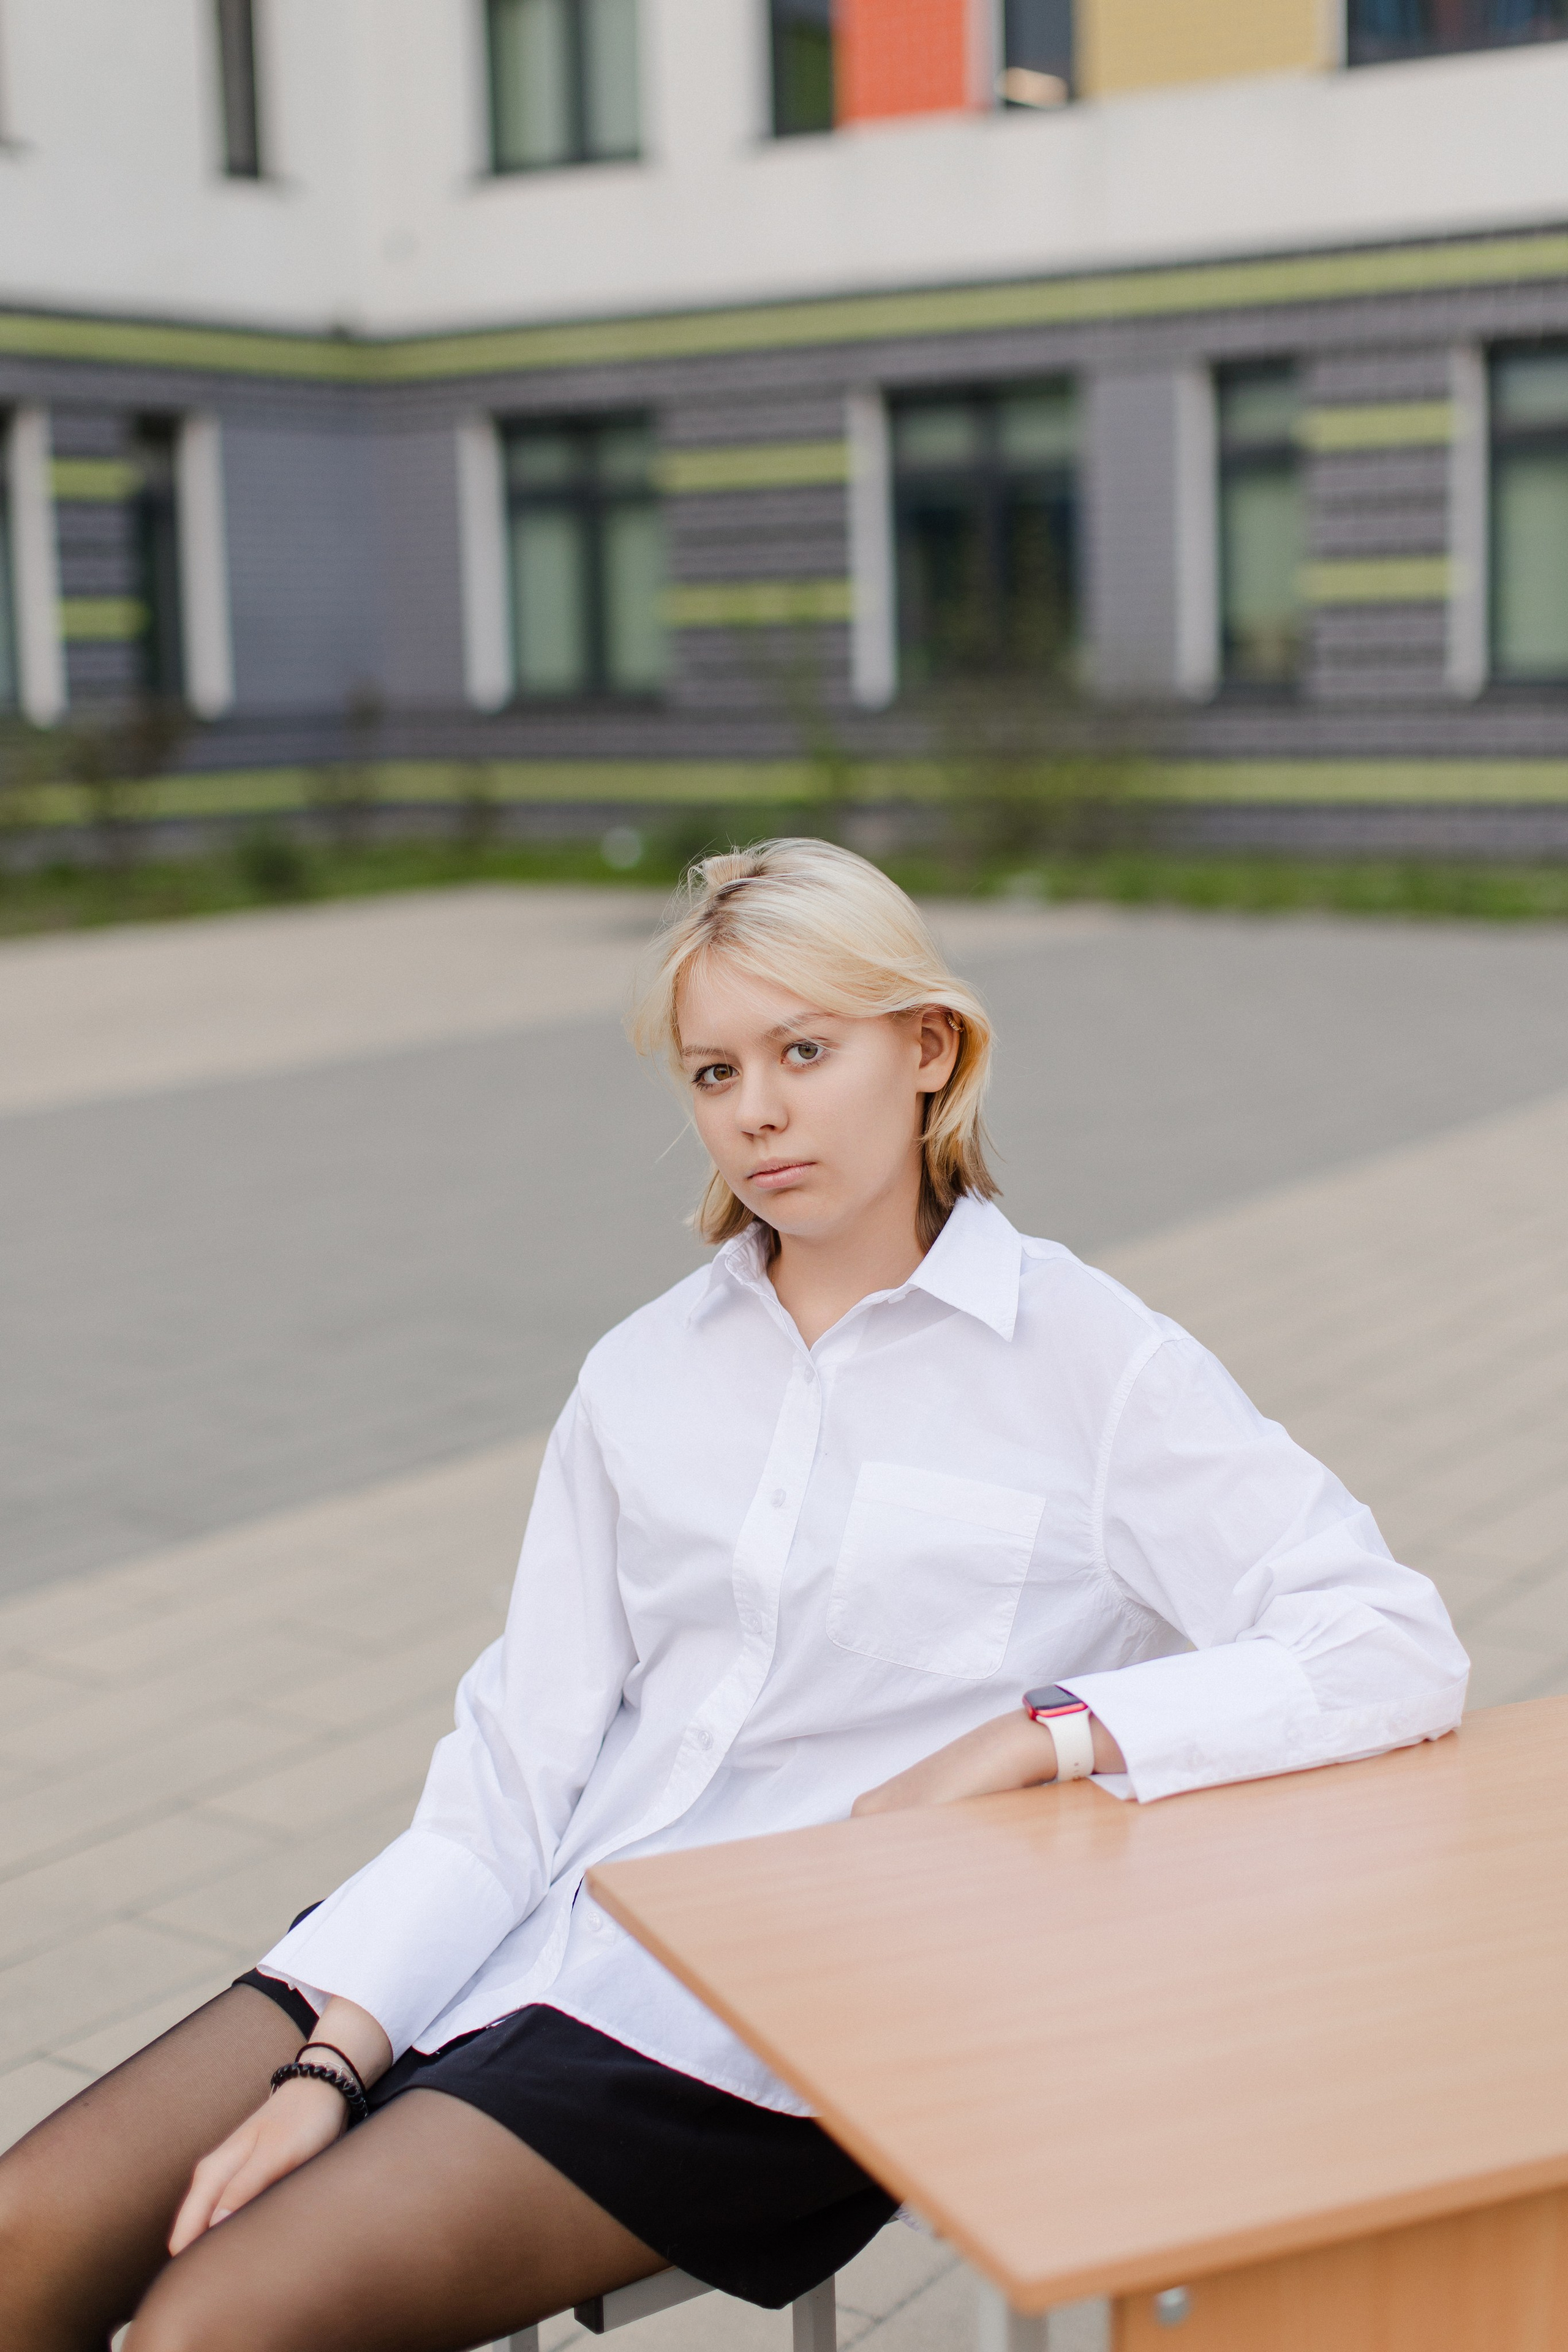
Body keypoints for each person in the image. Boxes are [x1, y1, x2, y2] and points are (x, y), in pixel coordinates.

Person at [0, 839, 1469, 2352]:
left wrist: (1046, 1735)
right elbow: (513, 1777)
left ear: (926, 1048)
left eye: (802, 1051)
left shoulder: (1090, 1362)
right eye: (712, 1073)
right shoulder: (642, 1374)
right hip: (519, 1919)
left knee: (215, 2327)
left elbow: (1383, 1639)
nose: (755, 1110)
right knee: (24, 2237)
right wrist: (332, 2064)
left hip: (766, 2028)